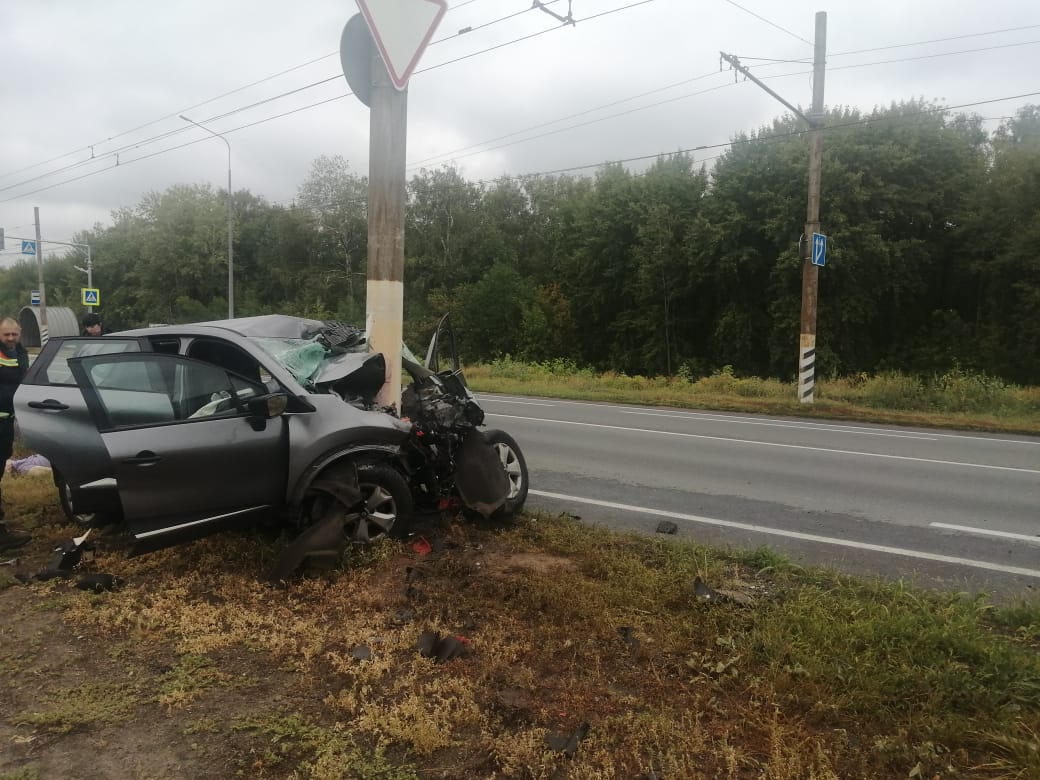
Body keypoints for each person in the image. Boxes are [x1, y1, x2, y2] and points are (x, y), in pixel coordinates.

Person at [0, 317, 30, 551]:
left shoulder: (21, 353)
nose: (10, 338)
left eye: (14, 334)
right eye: (5, 334)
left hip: (7, 423)